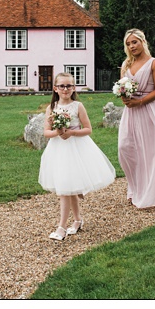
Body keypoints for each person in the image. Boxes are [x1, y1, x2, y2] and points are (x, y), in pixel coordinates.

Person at [37, 72, 117, 238]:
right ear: (55, 89)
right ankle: (78, 220)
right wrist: (58, 132)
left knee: (66, 188)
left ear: (73, 88)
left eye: (68, 86)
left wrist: (72, 133)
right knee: (67, 187)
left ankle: (61, 227)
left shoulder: (78, 106)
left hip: (76, 149)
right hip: (59, 150)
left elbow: (88, 129)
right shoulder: (51, 108)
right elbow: (46, 132)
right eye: (61, 86)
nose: (65, 89)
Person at [115, 29, 155, 209]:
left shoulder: (154, 64)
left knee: (148, 149)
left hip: (148, 109)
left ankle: (150, 191)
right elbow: (122, 87)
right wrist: (124, 97)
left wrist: (140, 101)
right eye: (128, 44)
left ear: (143, 42)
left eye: (134, 42)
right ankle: (135, 187)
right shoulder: (125, 64)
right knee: (125, 147)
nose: (132, 46)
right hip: (130, 111)